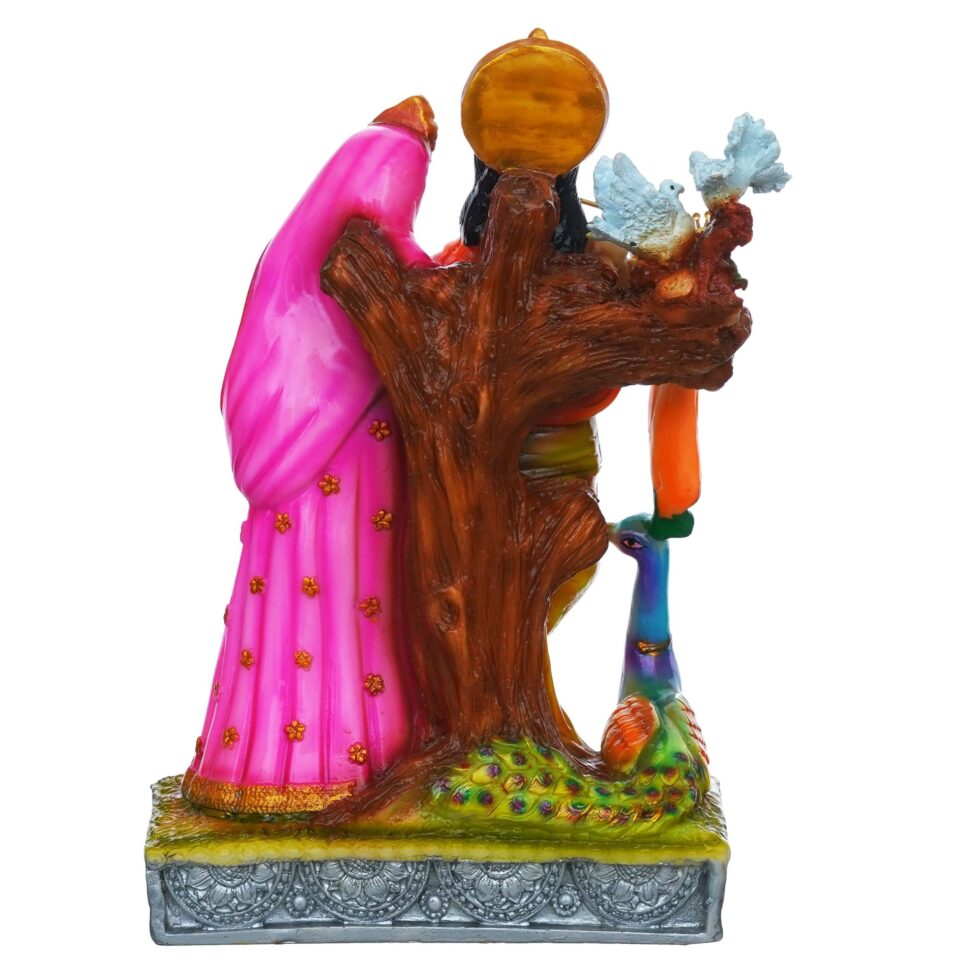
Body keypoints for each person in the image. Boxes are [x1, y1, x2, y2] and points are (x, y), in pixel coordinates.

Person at [181, 99, 436, 813]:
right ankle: (335, 759)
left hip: (327, 440)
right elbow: (413, 279)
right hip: (342, 445)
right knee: (346, 578)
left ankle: (291, 754)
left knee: (347, 584)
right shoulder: (363, 247)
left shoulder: (295, 249)